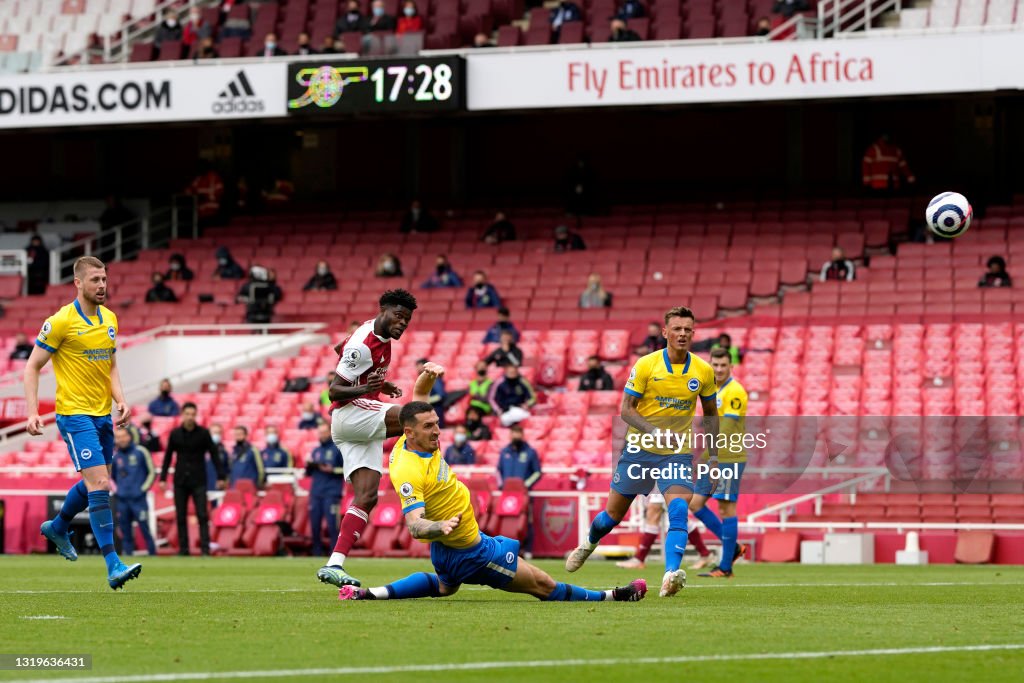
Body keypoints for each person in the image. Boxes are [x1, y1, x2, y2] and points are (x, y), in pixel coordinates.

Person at [337, 401, 647, 603]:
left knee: (445, 587)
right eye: (430, 426)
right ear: (409, 432)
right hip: (470, 551)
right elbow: (416, 526)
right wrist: (439, 526)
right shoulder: (408, 470)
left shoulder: (413, 442)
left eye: (436, 423)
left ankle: (369, 594)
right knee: (542, 584)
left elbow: (416, 403)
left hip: (448, 551)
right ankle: (613, 596)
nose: (438, 430)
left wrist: (426, 378)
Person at [565, 306, 720, 600]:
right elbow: (626, 410)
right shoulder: (647, 365)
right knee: (612, 515)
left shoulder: (703, 370)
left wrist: (713, 458)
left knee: (677, 510)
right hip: (639, 450)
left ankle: (670, 575)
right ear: (666, 332)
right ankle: (588, 544)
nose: (683, 334)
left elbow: (711, 415)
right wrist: (654, 431)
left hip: (676, 453)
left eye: (688, 329)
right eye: (677, 329)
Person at [26, 255, 141, 588]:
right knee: (101, 484)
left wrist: (120, 398)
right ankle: (113, 565)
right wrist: (33, 411)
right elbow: (31, 367)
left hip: (102, 413)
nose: (102, 285)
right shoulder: (61, 322)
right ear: (78, 283)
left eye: (104, 279)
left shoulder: (110, 319)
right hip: (74, 414)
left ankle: (58, 527)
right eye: (95, 280)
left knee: (95, 482)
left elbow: (111, 365)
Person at [316, 289, 441, 589]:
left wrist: (379, 382)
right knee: (419, 417)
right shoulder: (363, 344)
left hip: (358, 426)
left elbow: (339, 349)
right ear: (383, 310)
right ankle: (433, 482)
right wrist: (364, 388)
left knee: (367, 497)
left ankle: (334, 564)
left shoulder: (372, 336)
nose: (402, 323)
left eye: (407, 319)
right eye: (398, 316)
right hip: (351, 414)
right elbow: (334, 391)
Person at [689, 348, 750, 578]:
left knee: (726, 508)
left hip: (729, 458)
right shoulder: (712, 389)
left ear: (731, 367)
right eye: (715, 365)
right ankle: (732, 547)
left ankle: (725, 567)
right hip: (713, 457)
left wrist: (707, 454)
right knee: (695, 504)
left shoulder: (735, 391)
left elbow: (727, 426)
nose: (719, 369)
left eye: (724, 365)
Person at [160, 403, 227, 555]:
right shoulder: (175, 434)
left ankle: (205, 549)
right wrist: (163, 478)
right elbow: (168, 457)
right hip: (180, 480)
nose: (190, 417)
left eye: (192, 414)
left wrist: (221, 476)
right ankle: (184, 549)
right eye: (187, 414)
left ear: (195, 415)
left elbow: (214, 454)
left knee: (202, 515)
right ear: (182, 415)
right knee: (181, 515)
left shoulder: (203, 433)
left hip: (199, 480)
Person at [111, 426, 157, 556]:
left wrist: (142, 489)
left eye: (123, 436)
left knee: (145, 528)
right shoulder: (115, 456)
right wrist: (117, 490)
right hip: (122, 500)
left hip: (139, 499)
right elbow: (112, 477)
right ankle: (128, 558)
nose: (121, 439)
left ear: (130, 436)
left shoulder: (141, 452)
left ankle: (153, 555)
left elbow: (152, 472)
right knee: (125, 531)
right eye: (118, 437)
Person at [308, 422, 344, 556]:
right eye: (320, 432)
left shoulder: (337, 449)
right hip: (316, 492)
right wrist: (309, 466)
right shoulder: (316, 451)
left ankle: (335, 554)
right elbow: (309, 474)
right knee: (315, 525)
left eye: (324, 432)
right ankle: (316, 552)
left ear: (330, 432)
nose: (321, 435)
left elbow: (346, 470)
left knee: (332, 525)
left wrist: (332, 469)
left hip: (331, 493)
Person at [615, 494, 664, 570]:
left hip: (666, 484)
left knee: (653, 512)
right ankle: (639, 559)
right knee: (681, 516)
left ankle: (639, 559)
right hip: (671, 485)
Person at [415, 358, 447, 426]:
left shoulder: (434, 379)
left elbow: (441, 396)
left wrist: (425, 400)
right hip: (427, 411)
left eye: (419, 366)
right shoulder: (423, 380)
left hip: (436, 410)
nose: (417, 368)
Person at [206, 423, 228, 493]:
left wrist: (224, 481)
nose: (217, 435)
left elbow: (227, 469)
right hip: (203, 486)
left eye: (219, 433)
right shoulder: (201, 449)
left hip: (218, 487)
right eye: (215, 433)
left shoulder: (223, 451)